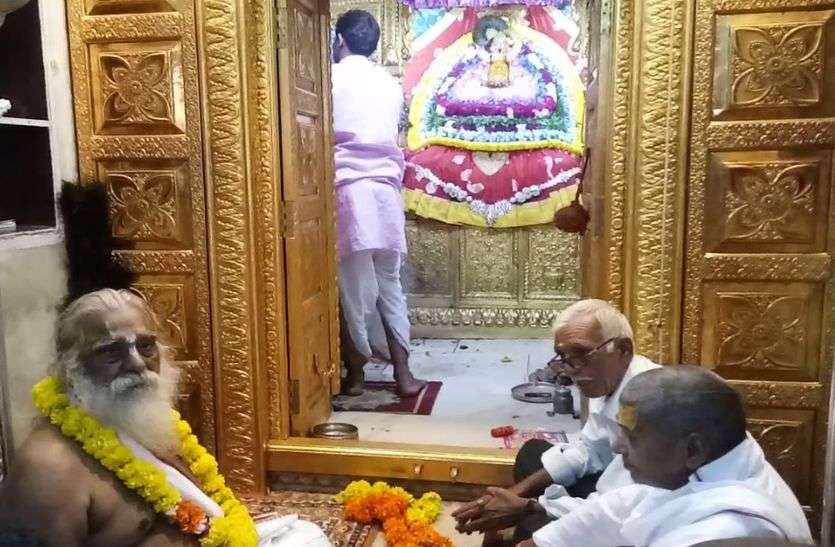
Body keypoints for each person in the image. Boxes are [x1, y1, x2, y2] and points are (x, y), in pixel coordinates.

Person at [0, 289, 331, 547]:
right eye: (111, 352)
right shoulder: (48, 469)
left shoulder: (139, 421)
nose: (137, 364)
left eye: (145, 346)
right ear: (72, 368)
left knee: (307, 535)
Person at [524, 365, 813, 547]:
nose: (617, 447)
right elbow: (622, 506)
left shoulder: (729, 531)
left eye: (631, 437)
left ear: (692, 450)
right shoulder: (708, 465)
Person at [453, 299, 660, 543]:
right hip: (611, 486)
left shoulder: (651, 403)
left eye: (582, 354)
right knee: (533, 454)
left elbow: (619, 509)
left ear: (623, 349)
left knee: (535, 518)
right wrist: (513, 495)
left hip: (638, 517)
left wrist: (530, 508)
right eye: (563, 357)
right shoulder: (608, 380)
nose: (571, 370)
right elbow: (588, 450)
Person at [332, 9, 426, 396]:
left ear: (340, 41)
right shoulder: (389, 83)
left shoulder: (330, 78)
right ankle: (404, 374)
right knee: (390, 286)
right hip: (387, 194)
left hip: (348, 194)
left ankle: (355, 377)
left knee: (353, 293)